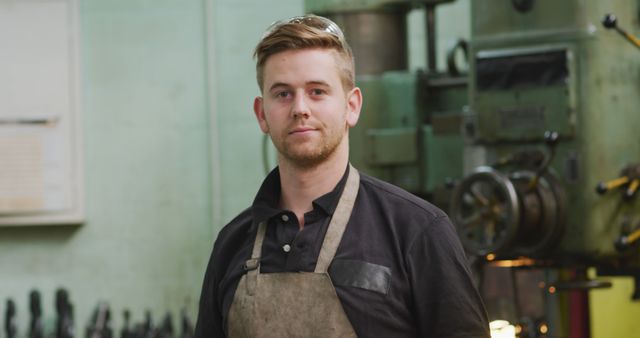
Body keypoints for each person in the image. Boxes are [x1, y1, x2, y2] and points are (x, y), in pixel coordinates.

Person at [194, 14, 490, 338]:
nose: (300, 108)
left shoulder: (417, 232)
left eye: (317, 91)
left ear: (352, 106)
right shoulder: (232, 244)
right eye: (283, 94)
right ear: (262, 114)